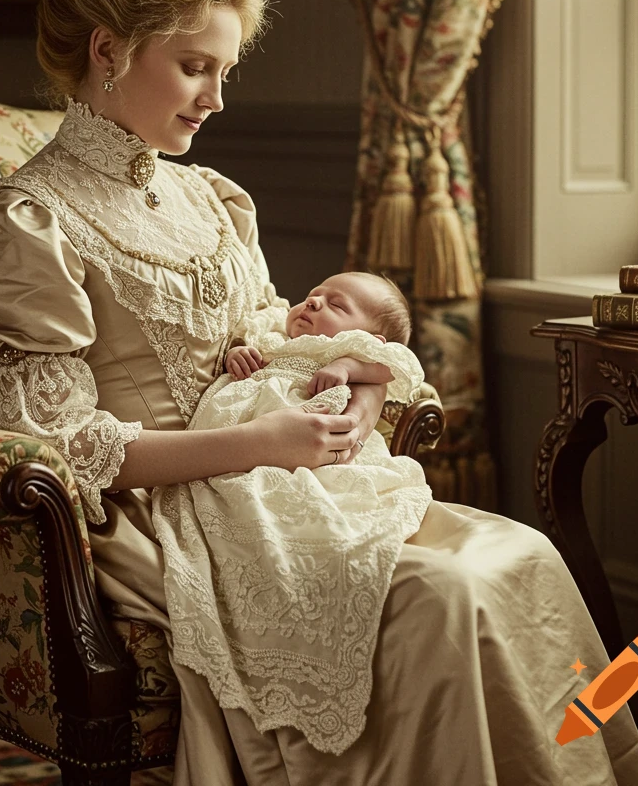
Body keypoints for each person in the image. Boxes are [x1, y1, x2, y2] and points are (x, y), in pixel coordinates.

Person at [0, 0, 638, 785]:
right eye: (196, 67)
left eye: (226, 71)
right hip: (161, 515)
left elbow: (281, 336)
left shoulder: (211, 199)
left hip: (286, 487)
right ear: (108, 49)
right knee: (447, 595)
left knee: (519, 556)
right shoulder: (26, 223)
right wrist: (261, 442)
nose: (216, 98)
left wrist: (360, 389)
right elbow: (66, 450)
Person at [152, 271, 434, 756]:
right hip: (239, 448)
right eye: (312, 296)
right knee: (244, 506)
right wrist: (239, 355)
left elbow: (392, 367)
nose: (313, 303)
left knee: (314, 505)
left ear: (368, 336)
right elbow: (243, 348)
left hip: (311, 454)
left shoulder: (351, 355)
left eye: (336, 305)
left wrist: (347, 366)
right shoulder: (270, 335)